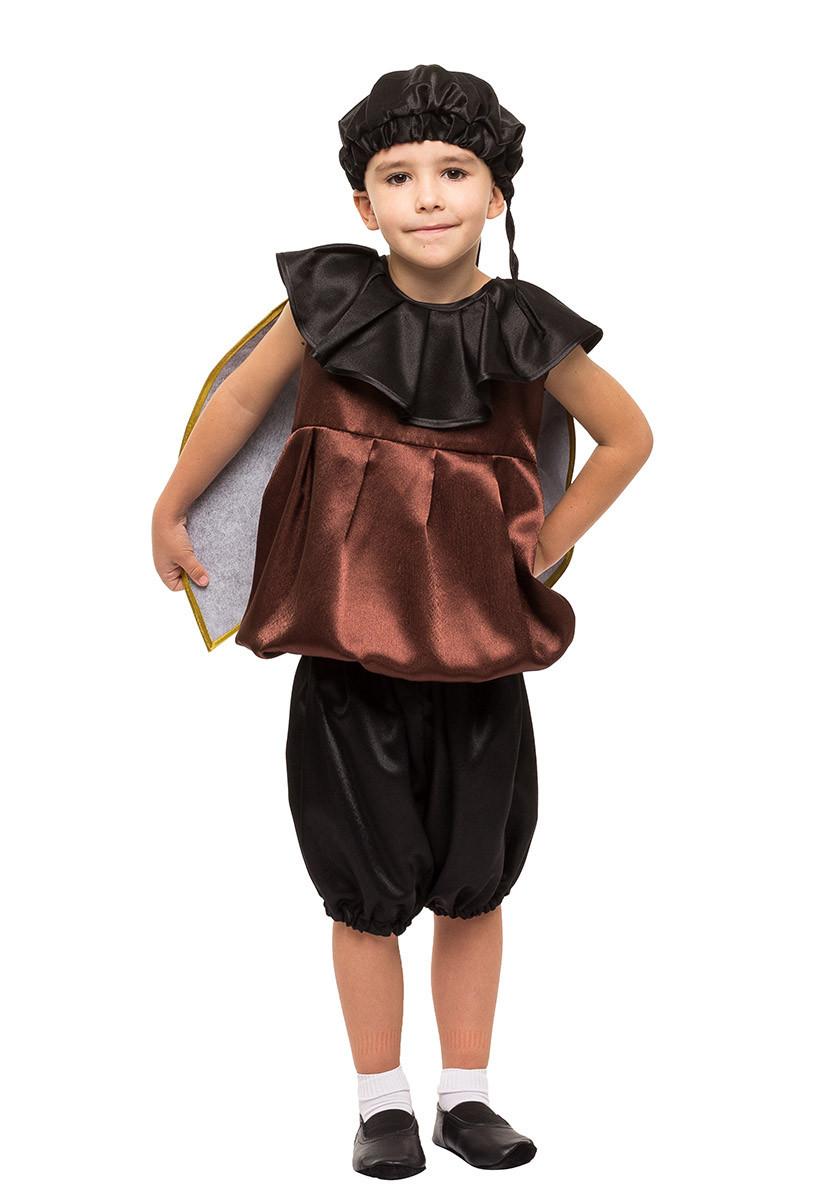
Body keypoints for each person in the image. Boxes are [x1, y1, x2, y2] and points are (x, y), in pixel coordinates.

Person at [152, 64, 653, 1179]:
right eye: (398, 176)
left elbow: (629, 437)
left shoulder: (525, 325)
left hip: (479, 658)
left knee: (476, 881)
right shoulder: (331, 302)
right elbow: (244, 398)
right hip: (347, 652)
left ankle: (466, 1095)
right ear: (363, 204)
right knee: (365, 892)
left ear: (497, 194)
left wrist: (544, 543)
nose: (428, 195)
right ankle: (381, 1103)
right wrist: (173, 502)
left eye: (455, 171)